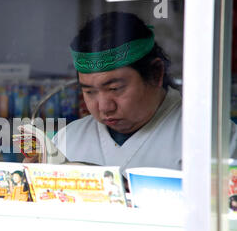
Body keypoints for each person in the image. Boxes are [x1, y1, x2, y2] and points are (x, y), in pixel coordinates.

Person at [49, 11, 237, 177]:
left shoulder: (213, 138)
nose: (104, 107)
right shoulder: (68, 139)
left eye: (115, 89)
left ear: (156, 73)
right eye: (90, 92)